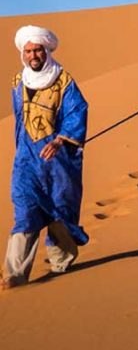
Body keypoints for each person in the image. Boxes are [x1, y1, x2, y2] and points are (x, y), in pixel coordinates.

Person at [1, 26, 89, 289]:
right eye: (28, 51)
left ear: (47, 50)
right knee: (25, 209)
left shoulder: (63, 81)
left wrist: (61, 140)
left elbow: (77, 111)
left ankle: (61, 261)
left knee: (59, 209)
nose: (33, 55)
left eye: (37, 49)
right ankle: (14, 274)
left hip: (57, 159)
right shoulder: (18, 82)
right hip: (27, 158)